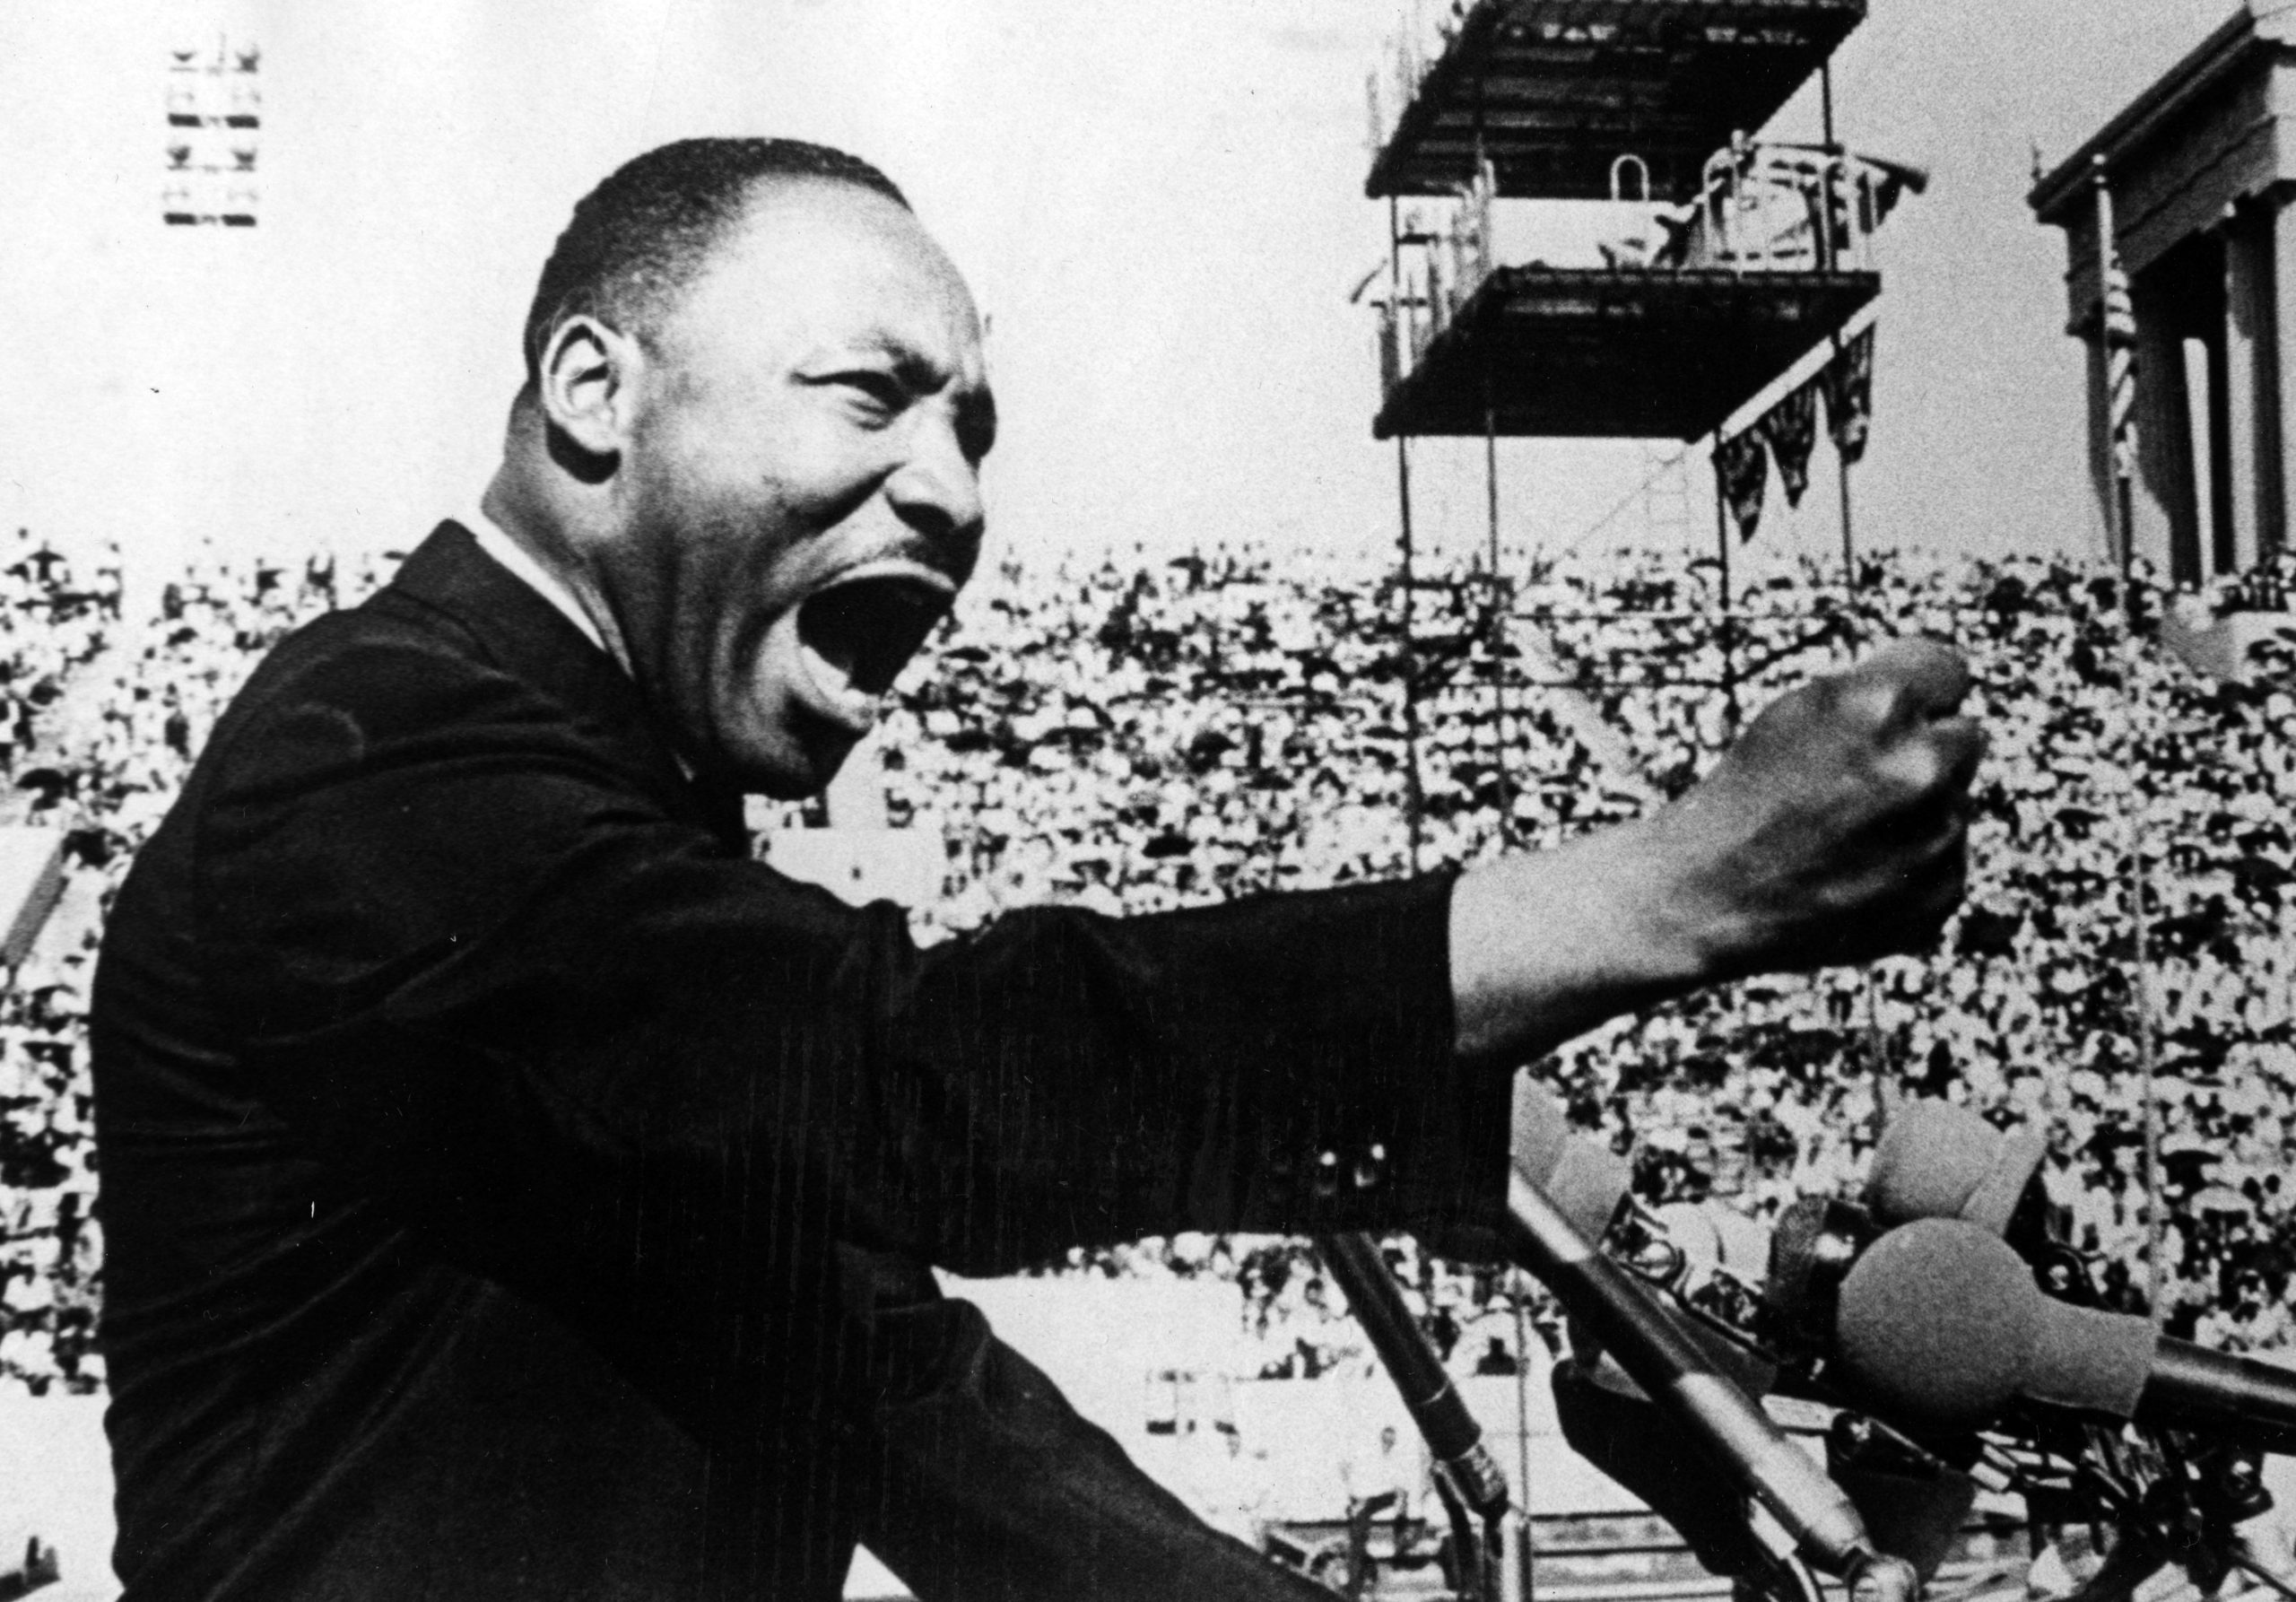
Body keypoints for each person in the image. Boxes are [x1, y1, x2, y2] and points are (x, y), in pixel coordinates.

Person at [90, 137, 1981, 1601]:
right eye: (869, 393)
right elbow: (911, 1074)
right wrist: (1657, 893)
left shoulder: (625, 852)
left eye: (972, 428)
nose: (955, 487)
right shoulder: (369, 751)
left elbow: (939, 1429)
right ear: (596, 387)